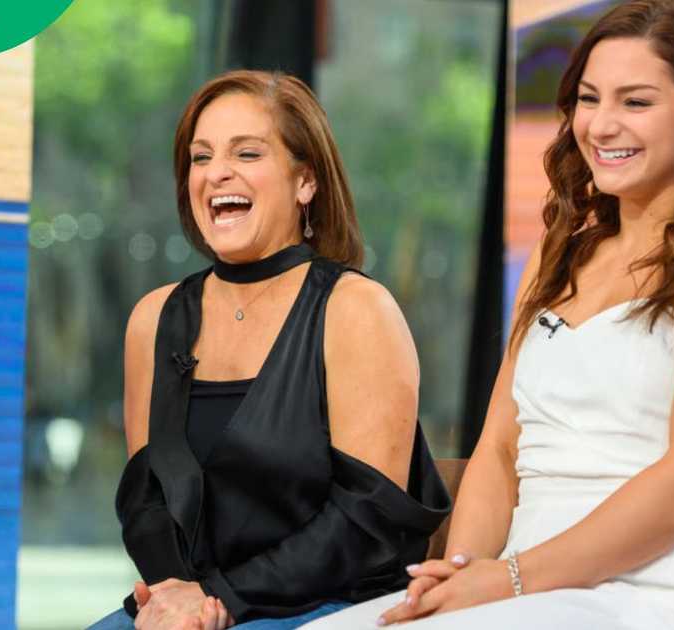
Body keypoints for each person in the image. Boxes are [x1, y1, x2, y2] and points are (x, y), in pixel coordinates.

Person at [305, 1, 674, 628]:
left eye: (636, 102)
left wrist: (508, 581)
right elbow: (500, 450)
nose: (601, 125)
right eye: (590, 99)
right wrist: (459, 572)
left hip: (656, 592)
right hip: (524, 588)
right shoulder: (562, 249)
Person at [89, 70, 451, 630]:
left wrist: (220, 598)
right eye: (200, 157)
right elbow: (145, 501)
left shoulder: (357, 309)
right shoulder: (154, 318)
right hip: (197, 605)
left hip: (328, 603)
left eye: (247, 153)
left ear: (306, 181)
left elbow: (364, 519)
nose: (217, 174)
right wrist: (177, 596)